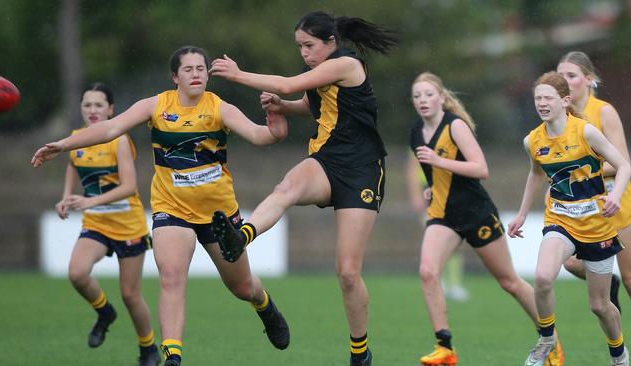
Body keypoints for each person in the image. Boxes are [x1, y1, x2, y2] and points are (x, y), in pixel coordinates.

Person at [32, 46, 290, 366]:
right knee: (170, 277)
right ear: (175, 77)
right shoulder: (156, 105)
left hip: (218, 214)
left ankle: (265, 307)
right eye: (188, 69)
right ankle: (172, 356)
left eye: (201, 69)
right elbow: (110, 129)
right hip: (172, 208)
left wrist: (276, 127)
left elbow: (259, 135)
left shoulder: (219, 108)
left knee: (242, 286)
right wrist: (64, 144)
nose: (196, 74)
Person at [208, 11, 397, 366]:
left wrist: (238, 75)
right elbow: (313, 107)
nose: (305, 53)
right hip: (327, 161)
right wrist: (284, 108)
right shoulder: (320, 73)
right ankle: (240, 236)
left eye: (309, 46)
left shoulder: (345, 64)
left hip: (362, 171)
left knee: (347, 272)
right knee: (286, 188)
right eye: (299, 47)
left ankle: (360, 353)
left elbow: (286, 83)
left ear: (331, 42)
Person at [409, 72, 563, 366]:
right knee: (428, 272)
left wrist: (440, 162)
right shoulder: (416, 131)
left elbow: (481, 168)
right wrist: (432, 186)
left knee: (509, 282)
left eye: (428, 94)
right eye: (417, 96)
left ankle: (551, 338)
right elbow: (436, 174)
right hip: (443, 215)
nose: (422, 101)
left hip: (476, 212)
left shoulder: (455, 126)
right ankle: (445, 349)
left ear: (441, 98)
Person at [508, 71, 631, 366]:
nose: (542, 103)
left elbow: (624, 166)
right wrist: (523, 213)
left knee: (600, 306)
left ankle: (619, 355)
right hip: (560, 220)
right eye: (538, 98)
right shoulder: (533, 140)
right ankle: (547, 338)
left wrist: (615, 196)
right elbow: (536, 173)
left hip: (596, 226)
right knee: (542, 276)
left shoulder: (586, 132)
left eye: (548, 98)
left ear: (564, 101)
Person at [54, 82, 160, 366]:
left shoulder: (119, 139)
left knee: (130, 294)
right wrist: (65, 197)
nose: (92, 110)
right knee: (77, 273)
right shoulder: (76, 138)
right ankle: (104, 311)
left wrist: (87, 202)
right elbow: (72, 164)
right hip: (97, 225)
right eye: (87, 104)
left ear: (111, 110)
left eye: (99, 105)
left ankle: (148, 347)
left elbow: (129, 186)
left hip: (128, 226)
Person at [557, 51, 631, 313]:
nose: (565, 81)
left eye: (571, 75)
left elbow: (623, 162)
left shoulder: (603, 111)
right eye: (561, 76)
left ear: (588, 79)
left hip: (617, 199)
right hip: (585, 203)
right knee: (571, 263)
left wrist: (586, 172)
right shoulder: (561, 117)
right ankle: (609, 282)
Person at [405, 158, 469, 302]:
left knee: (456, 236)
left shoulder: (451, 137)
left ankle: (454, 284)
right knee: (435, 239)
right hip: (427, 187)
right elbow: (412, 166)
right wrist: (415, 195)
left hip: (448, 186)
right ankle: (439, 280)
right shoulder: (421, 136)